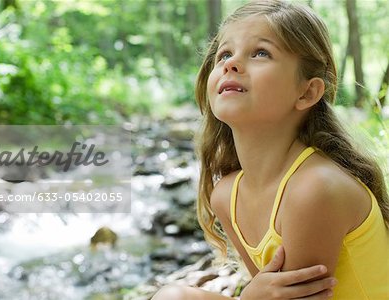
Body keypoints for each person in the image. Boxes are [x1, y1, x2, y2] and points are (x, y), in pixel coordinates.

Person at [152, 0, 389, 299]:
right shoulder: (228, 196)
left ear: (307, 92)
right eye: (225, 54)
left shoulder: (315, 188)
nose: (231, 63)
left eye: (261, 53)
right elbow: (270, 292)